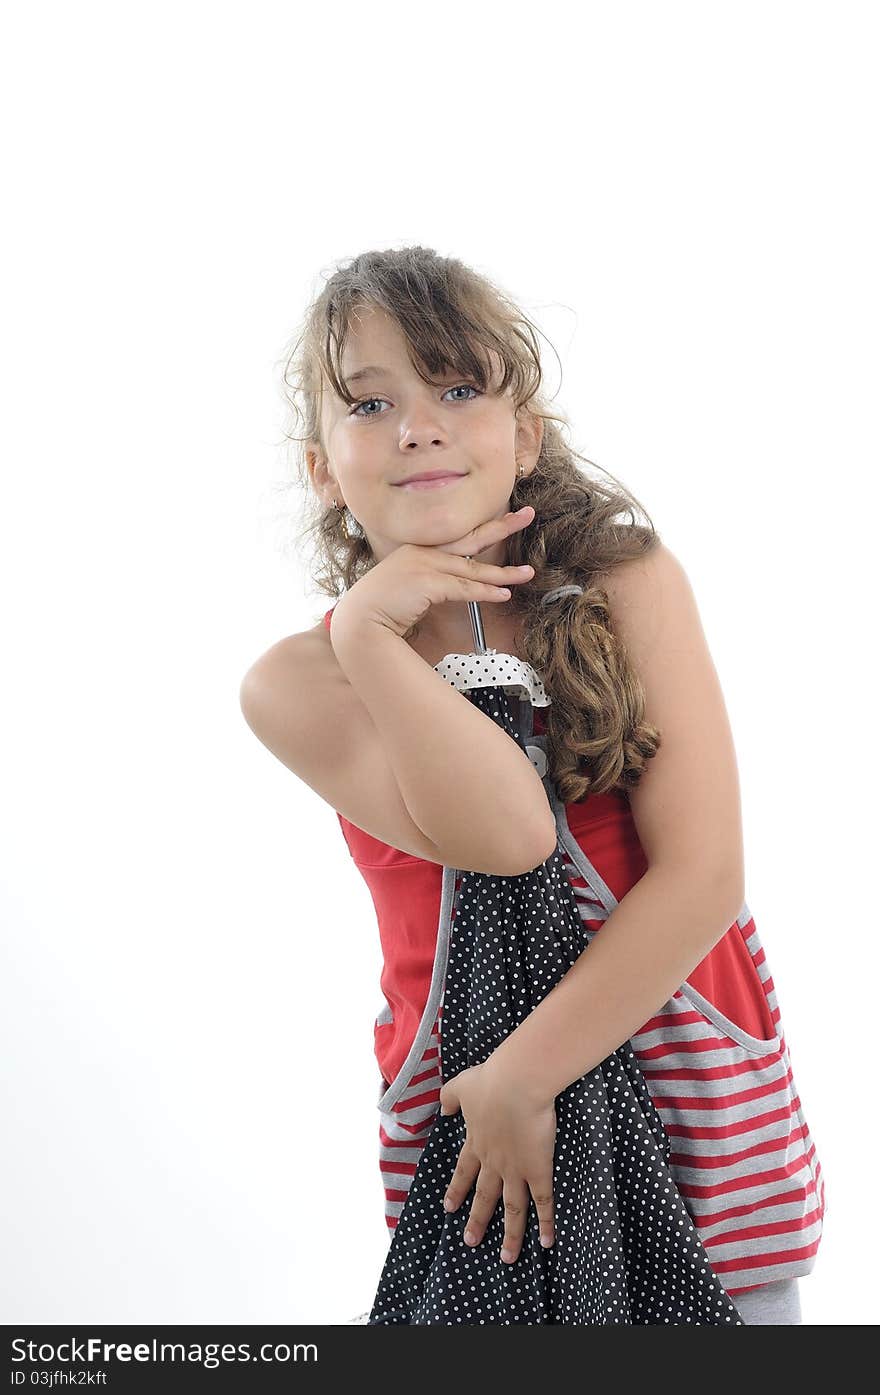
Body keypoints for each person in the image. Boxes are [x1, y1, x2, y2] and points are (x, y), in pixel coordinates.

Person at [240, 246, 824, 1326]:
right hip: (473, 1107)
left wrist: (529, 1075)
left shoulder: (624, 582)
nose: (417, 425)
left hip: (673, 1060)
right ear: (322, 467)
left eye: (457, 388)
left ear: (526, 436)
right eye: (370, 403)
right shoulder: (303, 679)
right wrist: (375, 629)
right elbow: (505, 833)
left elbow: (703, 876)